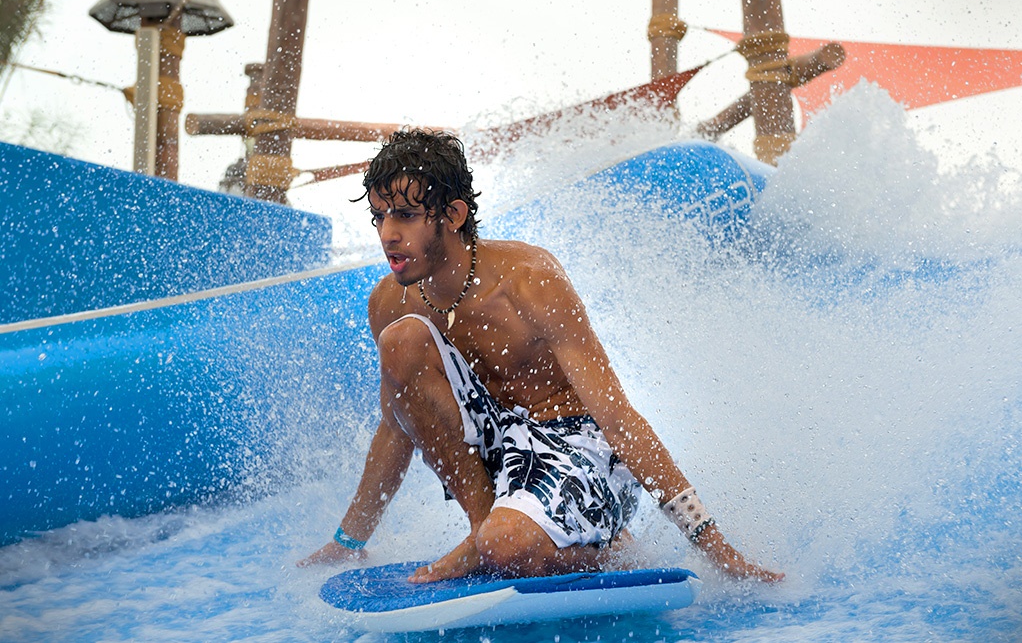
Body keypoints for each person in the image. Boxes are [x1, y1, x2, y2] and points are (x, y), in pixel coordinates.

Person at [299, 129, 783, 583]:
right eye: (379, 216)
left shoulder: (529, 279)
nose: (386, 234)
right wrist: (349, 540)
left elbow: (616, 417)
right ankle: (480, 529)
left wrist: (715, 547)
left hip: (580, 448)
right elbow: (397, 423)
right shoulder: (391, 302)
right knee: (401, 343)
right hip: (502, 453)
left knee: (506, 550)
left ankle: (611, 550)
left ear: (453, 215)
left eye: (403, 215)